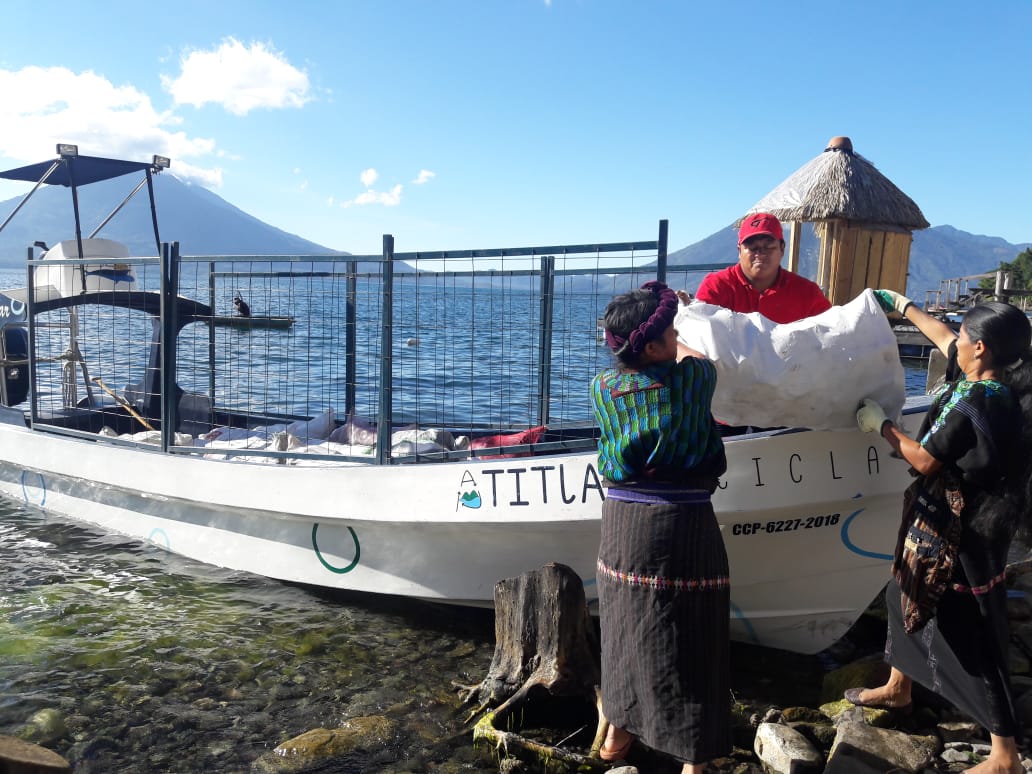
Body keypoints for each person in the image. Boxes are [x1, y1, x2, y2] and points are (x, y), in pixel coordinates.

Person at [847, 290, 1032, 774]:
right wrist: (902, 306)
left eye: (966, 338)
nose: (957, 344)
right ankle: (899, 686)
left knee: (972, 631)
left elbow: (926, 458)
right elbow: (945, 337)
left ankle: (1004, 755)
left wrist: (882, 426)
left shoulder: (976, 397)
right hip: (961, 521)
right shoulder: (1000, 384)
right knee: (900, 593)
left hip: (958, 532)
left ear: (983, 349)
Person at [590, 280, 731, 772]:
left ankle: (619, 736)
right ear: (651, 347)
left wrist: (659, 336)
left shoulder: (604, 388)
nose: (677, 338)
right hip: (683, 520)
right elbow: (698, 361)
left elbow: (662, 355)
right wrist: (678, 338)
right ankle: (694, 759)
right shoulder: (692, 381)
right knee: (693, 635)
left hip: (623, 524)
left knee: (626, 628)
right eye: (669, 333)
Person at [694, 212, 831, 323]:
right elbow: (695, 331)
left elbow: (832, 334)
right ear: (739, 251)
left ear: (782, 249)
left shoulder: (808, 293)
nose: (760, 253)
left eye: (768, 246)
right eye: (752, 247)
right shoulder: (716, 287)